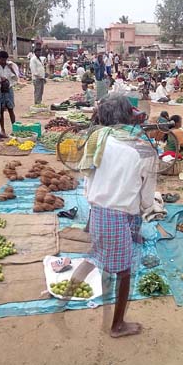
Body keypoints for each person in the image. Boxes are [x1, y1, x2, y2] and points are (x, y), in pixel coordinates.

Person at [78, 94, 157, 338]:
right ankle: (117, 325)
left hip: (100, 211)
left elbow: (87, 180)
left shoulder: (97, 140)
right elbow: (147, 197)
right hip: (116, 213)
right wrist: (144, 208)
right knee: (124, 272)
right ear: (127, 117)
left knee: (103, 257)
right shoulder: (143, 150)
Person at [0, 51, 19, 137]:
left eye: (5, 60)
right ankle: (2, 130)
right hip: (0, 90)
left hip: (9, 90)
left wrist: (11, 69)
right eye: (2, 60)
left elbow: (16, 77)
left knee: (11, 109)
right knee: (1, 111)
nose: (3, 61)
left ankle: (15, 129)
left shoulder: (10, 66)